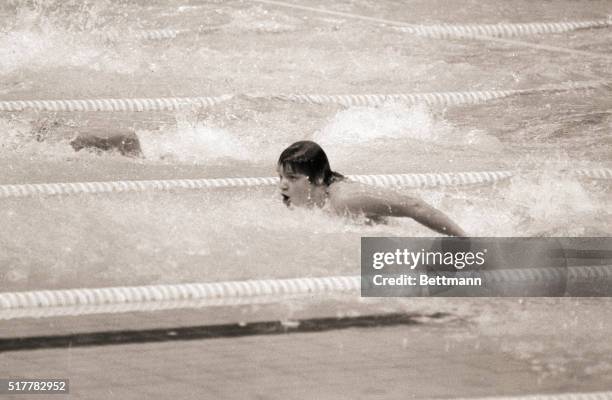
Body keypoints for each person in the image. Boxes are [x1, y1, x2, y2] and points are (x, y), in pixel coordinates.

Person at [277, 140, 467, 237]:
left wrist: (465, 241)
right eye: (281, 176)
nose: (283, 184)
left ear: (318, 178)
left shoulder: (345, 199)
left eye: (292, 177)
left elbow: (414, 205)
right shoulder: (301, 199)